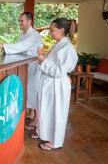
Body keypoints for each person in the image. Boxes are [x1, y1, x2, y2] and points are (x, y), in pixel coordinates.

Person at [0, 12, 41, 128]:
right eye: (19, 21)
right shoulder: (22, 35)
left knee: (34, 93)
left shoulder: (35, 35)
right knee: (28, 92)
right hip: (25, 67)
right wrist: (4, 49)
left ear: (29, 21)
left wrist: (3, 45)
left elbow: (22, 47)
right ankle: (31, 113)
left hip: (34, 67)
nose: (20, 23)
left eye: (22, 21)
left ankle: (37, 119)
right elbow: (18, 49)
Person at [35, 18, 78, 150]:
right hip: (50, 84)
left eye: (52, 30)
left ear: (61, 30)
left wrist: (43, 60)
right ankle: (45, 134)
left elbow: (59, 70)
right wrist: (42, 59)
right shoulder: (59, 44)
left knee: (57, 113)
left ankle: (56, 142)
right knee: (47, 111)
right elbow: (52, 64)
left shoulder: (68, 48)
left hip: (58, 85)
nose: (49, 33)